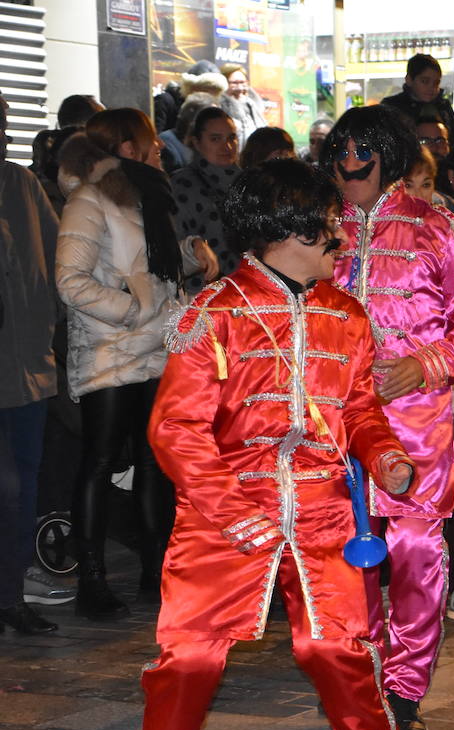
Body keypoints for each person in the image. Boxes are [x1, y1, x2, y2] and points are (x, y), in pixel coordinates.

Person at [107, 158, 417, 730]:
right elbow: (175, 430)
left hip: (323, 509)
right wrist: (224, 505)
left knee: (336, 646)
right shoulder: (213, 314)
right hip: (224, 514)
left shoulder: (348, 314)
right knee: (186, 657)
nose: (340, 240)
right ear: (285, 232)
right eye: (327, 229)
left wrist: (385, 456)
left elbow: (361, 408)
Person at [325, 105, 454, 730]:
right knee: (346, 564)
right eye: (340, 148)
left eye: (362, 148)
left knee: (419, 557)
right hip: (334, 429)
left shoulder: (436, 230)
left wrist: (424, 366)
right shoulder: (316, 229)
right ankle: (361, 678)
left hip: (416, 430)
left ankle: (403, 689)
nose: (350, 161)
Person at [57, 109, 218, 619]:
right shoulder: (90, 199)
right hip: (109, 352)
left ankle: (156, 570)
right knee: (101, 462)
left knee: (155, 461)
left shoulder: (149, 193)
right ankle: (92, 580)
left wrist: (191, 254)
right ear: (127, 146)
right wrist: (133, 311)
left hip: (156, 348)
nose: (160, 149)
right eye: (150, 141)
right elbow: (71, 281)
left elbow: (153, 266)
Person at [0, 91, 63, 635]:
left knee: (25, 482)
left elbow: (54, 256)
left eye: (3, 122)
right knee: (7, 486)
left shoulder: (20, 184)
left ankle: (11, 594)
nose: (2, 133)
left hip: (27, 365)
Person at [170, 107, 241, 284]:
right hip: (202, 291)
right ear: (196, 142)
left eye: (232, 138)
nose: (227, 146)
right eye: (215, 139)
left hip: (248, 289)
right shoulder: (182, 184)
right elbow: (175, 245)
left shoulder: (247, 182)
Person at [380, 53, 454, 142]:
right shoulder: (392, 107)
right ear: (409, 80)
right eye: (425, 81)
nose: (431, 87)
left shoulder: (443, 107)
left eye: (436, 83)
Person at [219, 64, 268, 145]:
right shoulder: (219, 107)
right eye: (234, 83)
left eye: (242, 82)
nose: (240, 88)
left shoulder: (252, 105)